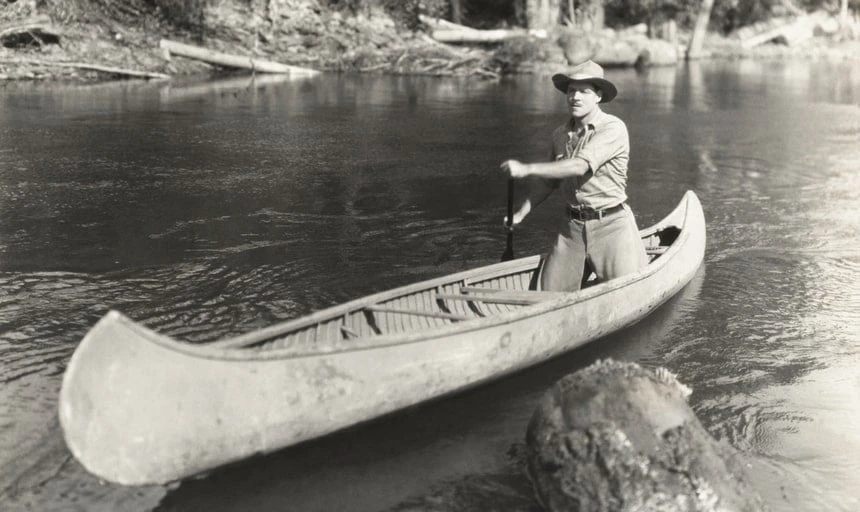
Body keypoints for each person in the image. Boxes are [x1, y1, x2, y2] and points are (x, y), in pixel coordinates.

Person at [500, 60, 647, 292]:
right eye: (571, 91)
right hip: (572, 229)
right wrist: (520, 213)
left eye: (583, 91)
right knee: (547, 294)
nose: (575, 97)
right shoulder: (560, 134)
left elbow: (579, 166)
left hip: (611, 225)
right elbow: (549, 182)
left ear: (598, 96)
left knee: (626, 293)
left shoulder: (613, 128)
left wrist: (527, 169)